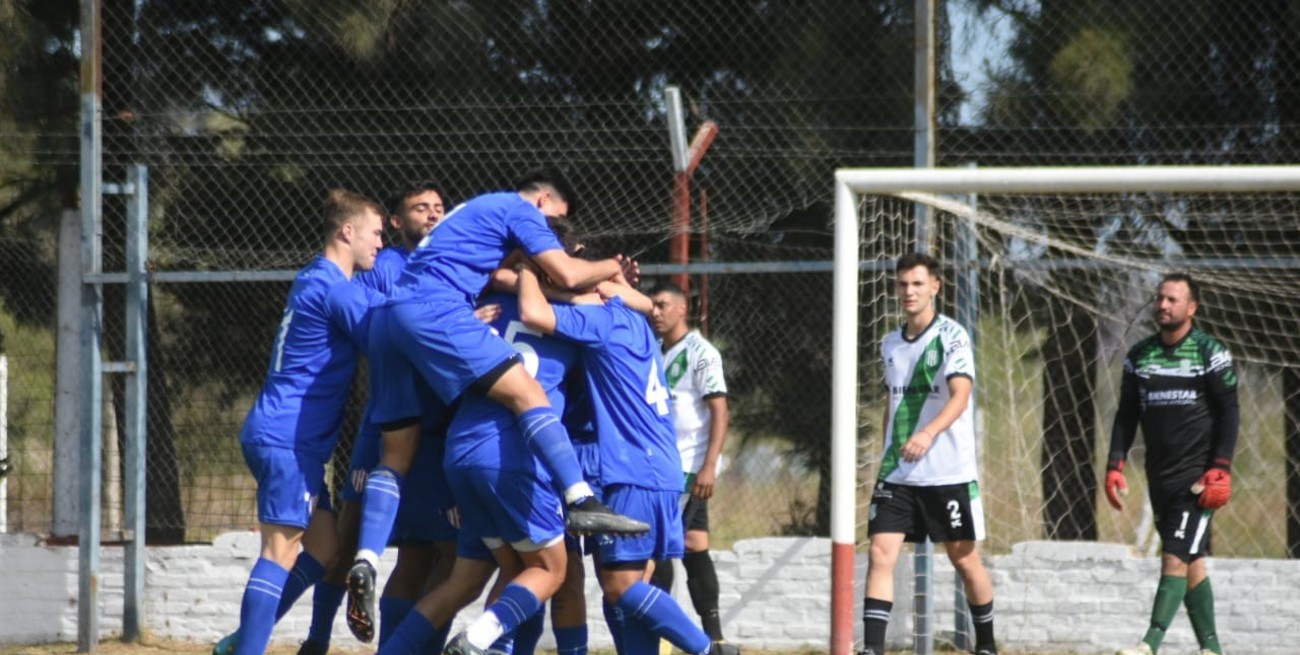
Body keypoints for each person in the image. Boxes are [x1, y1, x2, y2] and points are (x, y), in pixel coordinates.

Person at [347, 168, 648, 641]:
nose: (547, 235)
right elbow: (566, 276)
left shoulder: (472, 213)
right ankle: (580, 499)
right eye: (555, 222)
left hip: (390, 321)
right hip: (457, 360)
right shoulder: (518, 210)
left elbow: (503, 276)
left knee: (397, 458)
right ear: (545, 201)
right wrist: (611, 269)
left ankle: (365, 557)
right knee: (530, 393)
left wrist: (527, 277)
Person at [516, 266, 739, 655]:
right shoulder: (641, 324)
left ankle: (708, 649)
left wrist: (526, 268)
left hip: (630, 467)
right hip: (656, 466)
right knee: (620, 585)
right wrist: (597, 282)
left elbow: (534, 313)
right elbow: (633, 299)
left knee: (621, 585)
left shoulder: (603, 322)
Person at [222, 189, 385, 655]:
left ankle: (241, 640)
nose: (380, 243)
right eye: (375, 233)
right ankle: (247, 648)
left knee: (325, 548)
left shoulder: (314, 277)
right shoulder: (335, 287)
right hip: (289, 438)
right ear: (346, 231)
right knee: (279, 550)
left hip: (294, 439)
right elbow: (385, 336)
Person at [860, 252, 997, 655]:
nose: (909, 291)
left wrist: (928, 432)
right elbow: (892, 402)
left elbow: (961, 395)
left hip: (946, 472)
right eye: (903, 284)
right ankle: (872, 649)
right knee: (881, 554)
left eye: (918, 284)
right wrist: (887, 453)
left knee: (965, 561)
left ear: (935, 286)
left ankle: (986, 646)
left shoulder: (952, 336)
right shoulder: (889, 343)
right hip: (898, 475)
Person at [1105, 273, 1238, 655]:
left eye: (1173, 300)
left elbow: (1230, 412)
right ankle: (1211, 649)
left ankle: (1149, 644)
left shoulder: (1210, 353)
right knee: (1191, 559)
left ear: (1191, 308)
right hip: (1158, 475)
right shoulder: (1139, 356)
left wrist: (1221, 466)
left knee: (1175, 556)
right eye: (1160, 298)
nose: (1163, 305)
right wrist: (1115, 464)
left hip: (1197, 479)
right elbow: (1126, 414)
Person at [647, 281, 731, 647]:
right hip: (665, 466)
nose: (656, 311)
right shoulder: (654, 351)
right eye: (652, 305)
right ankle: (712, 638)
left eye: (663, 305)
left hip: (686, 469)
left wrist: (709, 466)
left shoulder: (701, 352)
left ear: (683, 309)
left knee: (659, 549)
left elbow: (719, 411)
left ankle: (662, 637)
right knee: (694, 545)